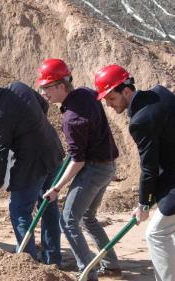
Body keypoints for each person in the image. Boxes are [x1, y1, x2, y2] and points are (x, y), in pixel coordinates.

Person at [0, 68, 64, 264]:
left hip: (31, 165)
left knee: (20, 211)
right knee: (49, 205)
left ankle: (28, 265)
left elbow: (0, 155)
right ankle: (53, 260)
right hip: (53, 152)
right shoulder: (19, 87)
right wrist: (33, 128)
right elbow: (43, 105)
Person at [37, 59, 121, 280]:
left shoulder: (71, 119)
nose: (44, 92)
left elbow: (78, 161)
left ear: (61, 86)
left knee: (68, 219)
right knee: (88, 217)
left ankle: (87, 272)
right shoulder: (85, 93)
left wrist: (56, 188)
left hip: (94, 169)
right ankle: (111, 265)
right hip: (108, 164)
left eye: (47, 88)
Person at [95, 64, 175, 281]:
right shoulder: (160, 93)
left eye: (111, 98)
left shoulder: (140, 121)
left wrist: (143, 204)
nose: (109, 105)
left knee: (156, 233)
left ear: (126, 91)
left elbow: (148, 168)